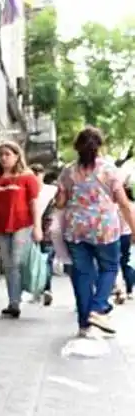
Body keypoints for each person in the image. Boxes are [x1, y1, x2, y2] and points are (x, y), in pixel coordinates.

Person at [56, 126, 135, 337]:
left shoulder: (68, 171)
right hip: (104, 228)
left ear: (77, 147)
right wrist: (134, 228)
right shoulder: (109, 170)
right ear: (99, 146)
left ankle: (84, 324)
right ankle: (98, 308)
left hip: (76, 229)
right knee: (109, 267)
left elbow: (61, 202)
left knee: (82, 274)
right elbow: (123, 203)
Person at [0, 141, 43, 318]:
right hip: (0, 225)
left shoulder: (27, 177)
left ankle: (18, 299)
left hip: (22, 224)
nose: (3, 158)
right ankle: (13, 301)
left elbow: (34, 203)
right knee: (8, 264)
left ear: (17, 156)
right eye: (1, 155)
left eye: (7, 154)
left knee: (16, 260)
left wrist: (37, 227)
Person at [31, 164, 57, 306]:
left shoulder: (52, 190)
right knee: (35, 259)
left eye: (38, 173)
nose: (36, 176)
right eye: (33, 174)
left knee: (46, 258)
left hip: (48, 229)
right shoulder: (29, 191)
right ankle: (40, 289)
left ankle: (46, 289)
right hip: (32, 228)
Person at [113, 175, 135, 303]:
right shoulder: (133, 206)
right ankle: (129, 290)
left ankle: (119, 289)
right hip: (128, 235)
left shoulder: (115, 207)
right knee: (126, 262)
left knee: (114, 263)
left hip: (115, 236)